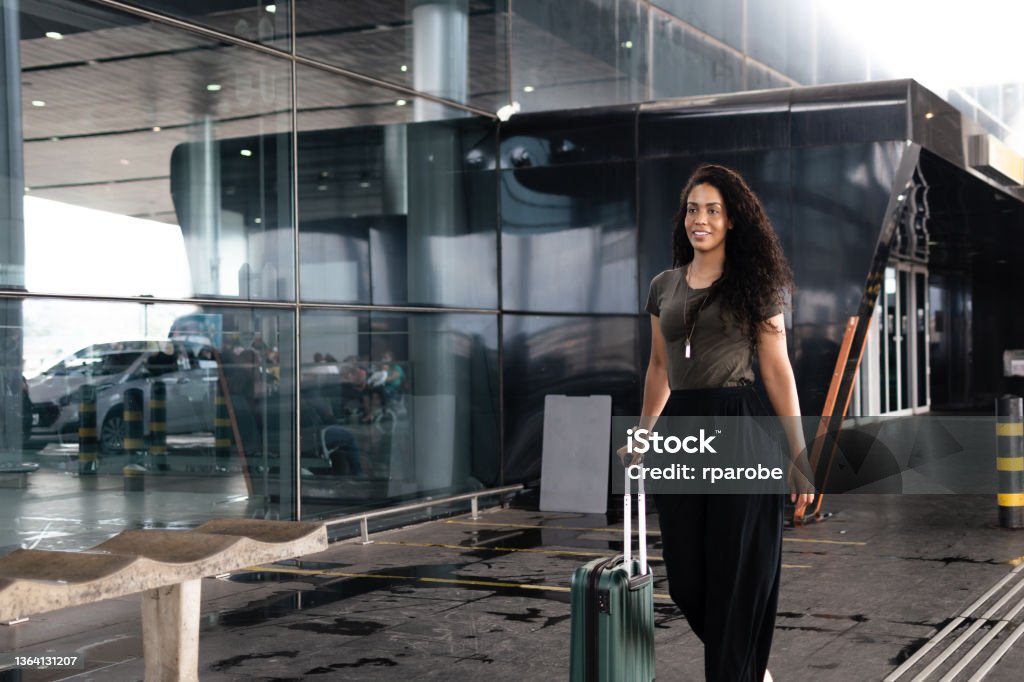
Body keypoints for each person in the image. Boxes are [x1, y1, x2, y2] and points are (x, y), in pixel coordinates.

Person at [627, 164, 814, 681]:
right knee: (687, 579)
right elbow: (660, 369)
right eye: (693, 209)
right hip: (682, 432)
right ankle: (748, 668)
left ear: (732, 220)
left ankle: (736, 672)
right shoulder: (663, 286)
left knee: (737, 573)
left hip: (740, 426)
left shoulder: (755, 283)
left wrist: (799, 459)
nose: (700, 219)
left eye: (712, 210)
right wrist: (643, 435)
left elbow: (778, 371)